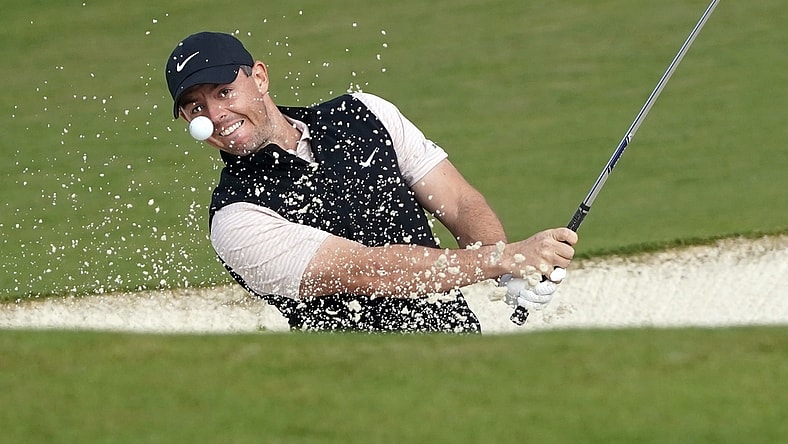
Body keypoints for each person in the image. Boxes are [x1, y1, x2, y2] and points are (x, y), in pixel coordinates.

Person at [164, 32, 577, 333]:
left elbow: (456, 200)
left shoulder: (363, 113)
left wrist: (506, 267)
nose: (214, 114)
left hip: (459, 346)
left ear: (259, 77)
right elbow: (373, 271)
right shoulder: (237, 218)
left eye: (224, 92)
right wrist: (501, 260)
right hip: (359, 381)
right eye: (195, 106)